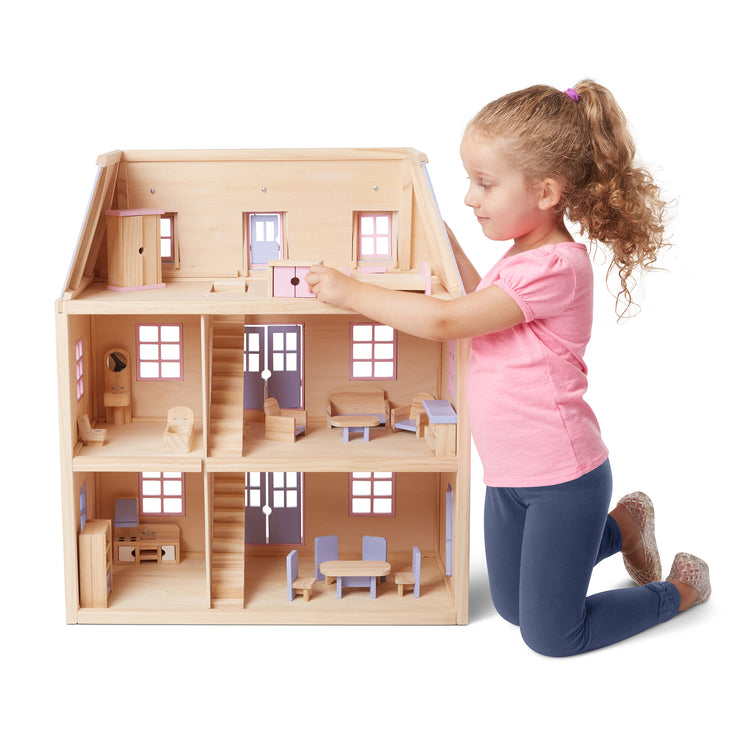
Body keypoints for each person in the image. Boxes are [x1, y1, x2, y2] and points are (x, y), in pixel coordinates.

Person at [305, 81, 710, 656]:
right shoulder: (521, 253)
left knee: (552, 634)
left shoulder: (556, 266)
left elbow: (449, 321)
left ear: (546, 192)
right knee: (513, 608)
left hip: (562, 480)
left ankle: (680, 591)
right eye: (470, 181)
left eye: (485, 183)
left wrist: (351, 293)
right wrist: (449, 245)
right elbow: (484, 311)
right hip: (507, 473)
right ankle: (624, 525)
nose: (470, 198)